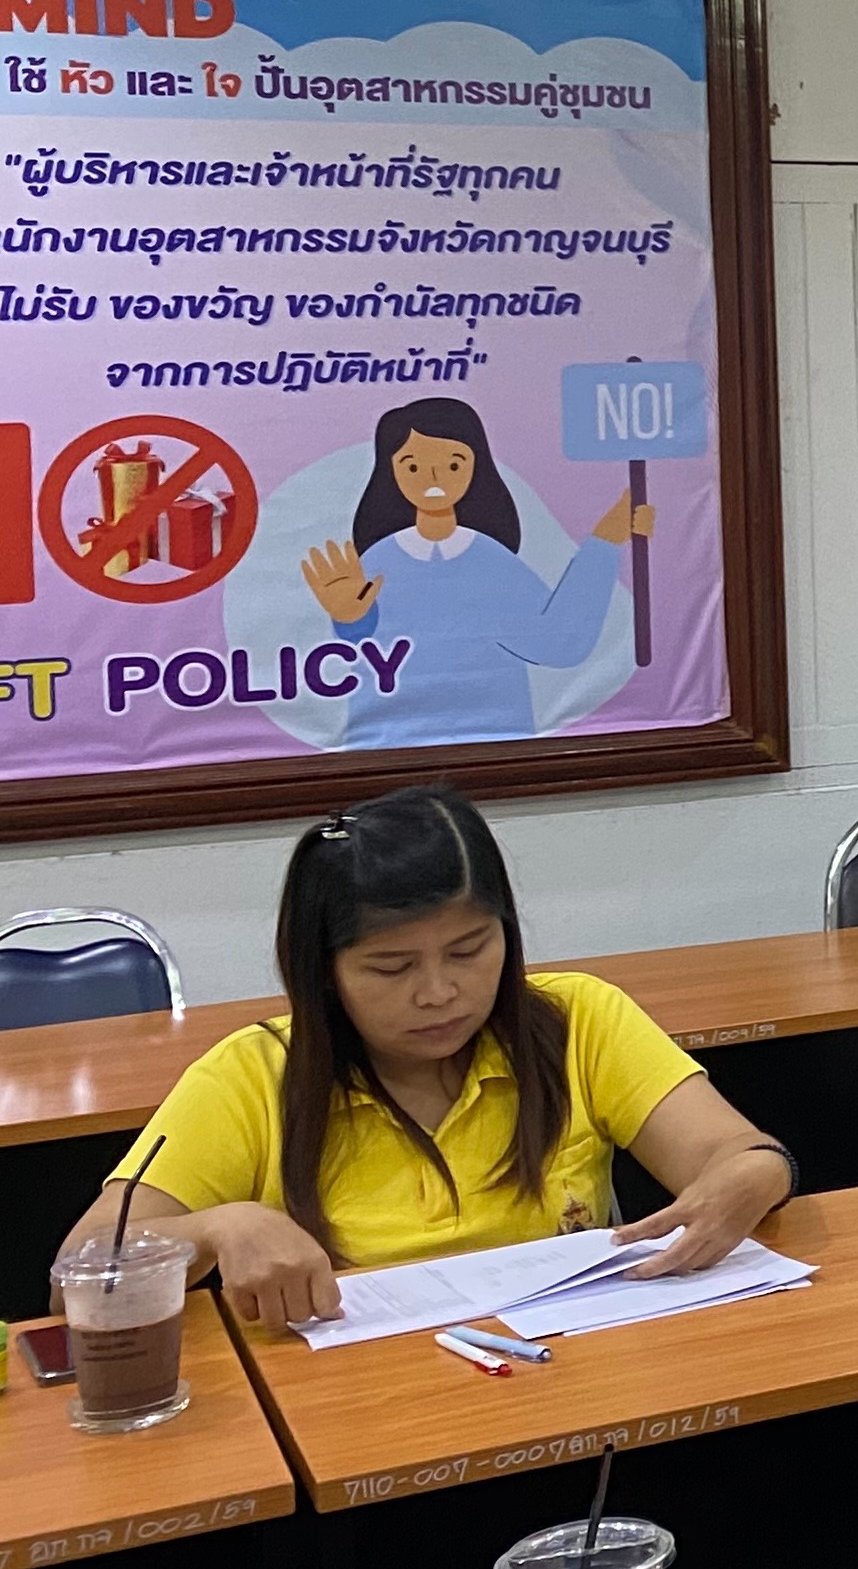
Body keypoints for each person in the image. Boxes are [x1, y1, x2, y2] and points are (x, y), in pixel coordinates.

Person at [61, 785, 793, 1329]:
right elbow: (77, 1275)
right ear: (323, 972)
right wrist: (217, 1227)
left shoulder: (577, 1021)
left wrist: (755, 1174)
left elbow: (738, 1154)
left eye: (469, 951)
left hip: (563, 1374)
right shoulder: (251, 1075)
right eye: (391, 967)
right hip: (351, 1411)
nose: (439, 993)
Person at [296, 396, 653, 749]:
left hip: (497, 737)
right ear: (391, 473)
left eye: (453, 465)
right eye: (413, 467)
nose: (433, 477)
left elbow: (555, 641)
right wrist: (350, 619)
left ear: (475, 468)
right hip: (391, 743)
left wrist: (604, 544)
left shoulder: (490, 559)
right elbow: (362, 643)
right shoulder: (380, 559)